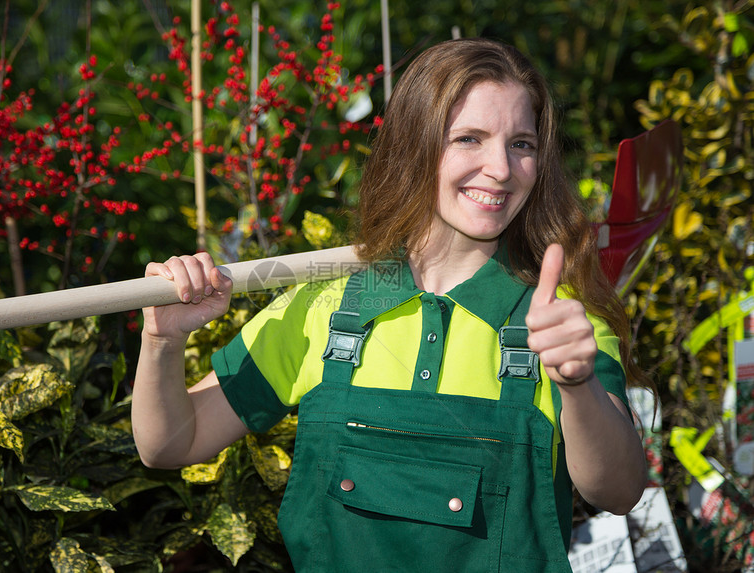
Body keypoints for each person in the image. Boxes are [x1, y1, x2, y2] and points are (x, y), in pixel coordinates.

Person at [132, 37, 648, 572]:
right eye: (469, 138)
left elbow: (620, 491)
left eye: (521, 144)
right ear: (414, 146)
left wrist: (576, 384)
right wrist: (162, 341)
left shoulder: (559, 322)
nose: (500, 168)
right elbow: (170, 444)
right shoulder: (327, 308)